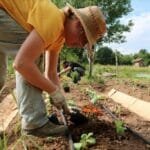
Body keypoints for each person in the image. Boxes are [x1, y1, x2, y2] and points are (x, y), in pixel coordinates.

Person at [0, 0, 106, 137]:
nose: (81, 45)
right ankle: (35, 124)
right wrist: (53, 91)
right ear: (79, 25)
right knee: (32, 55)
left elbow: (50, 73)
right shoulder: (54, 21)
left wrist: (62, 101)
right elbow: (22, 64)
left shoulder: (59, 37)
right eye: (84, 40)